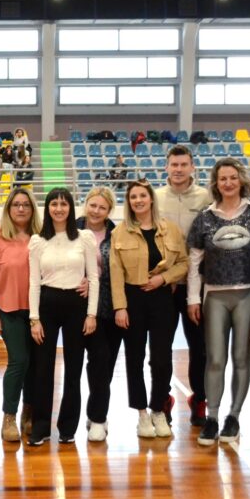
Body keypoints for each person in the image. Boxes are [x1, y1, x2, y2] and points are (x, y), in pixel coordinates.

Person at [187, 157, 250, 446]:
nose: (228, 183)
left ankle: (233, 416)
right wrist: (192, 298)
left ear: (241, 180)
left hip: (247, 294)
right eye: (223, 178)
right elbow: (194, 261)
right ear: (216, 183)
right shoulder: (205, 217)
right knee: (215, 359)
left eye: (233, 177)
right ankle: (211, 417)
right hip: (214, 295)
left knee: (240, 358)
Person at [110, 180, 189, 438]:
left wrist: (163, 279)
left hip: (162, 298)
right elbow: (115, 273)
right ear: (128, 202)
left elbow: (184, 263)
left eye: (142, 196)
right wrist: (120, 307)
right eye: (133, 197)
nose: (138, 201)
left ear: (151, 198)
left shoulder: (171, 230)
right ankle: (142, 413)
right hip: (132, 299)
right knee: (134, 358)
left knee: (161, 358)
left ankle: (158, 409)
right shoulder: (119, 232)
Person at [27, 188, 99, 446]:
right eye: (54, 204)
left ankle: (68, 427)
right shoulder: (37, 241)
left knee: (73, 368)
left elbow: (93, 278)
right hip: (47, 304)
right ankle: (41, 427)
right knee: (43, 369)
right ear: (47, 208)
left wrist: (91, 314)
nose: (59, 209)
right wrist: (34, 319)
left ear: (70, 207)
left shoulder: (84, 237)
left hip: (76, 305)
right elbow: (34, 282)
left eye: (63, 204)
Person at [154, 145, 213, 427]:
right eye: (174, 164)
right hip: (164, 286)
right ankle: (163, 399)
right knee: (160, 349)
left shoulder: (206, 197)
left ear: (192, 167)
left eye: (183, 164)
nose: (178, 169)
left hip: (196, 286)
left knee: (199, 348)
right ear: (166, 167)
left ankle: (199, 399)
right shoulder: (155, 197)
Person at [0, 188, 41, 442]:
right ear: (8, 209)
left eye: (26, 204)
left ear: (32, 209)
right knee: (19, 360)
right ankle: (9, 416)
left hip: (39, 311)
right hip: (9, 310)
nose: (21, 209)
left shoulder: (42, 237)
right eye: (16, 204)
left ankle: (30, 411)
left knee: (36, 364)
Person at [76, 187, 116, 442]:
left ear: (109, 210)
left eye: (102, 207)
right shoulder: (71, 229)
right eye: (93, 205)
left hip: (107, 308)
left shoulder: (117, 234)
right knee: (85, 363)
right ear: (86, 204)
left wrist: (95, 282)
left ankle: (98, 416)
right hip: (77, 306)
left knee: (102, 364)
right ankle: (93, 414)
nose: (96, 211)